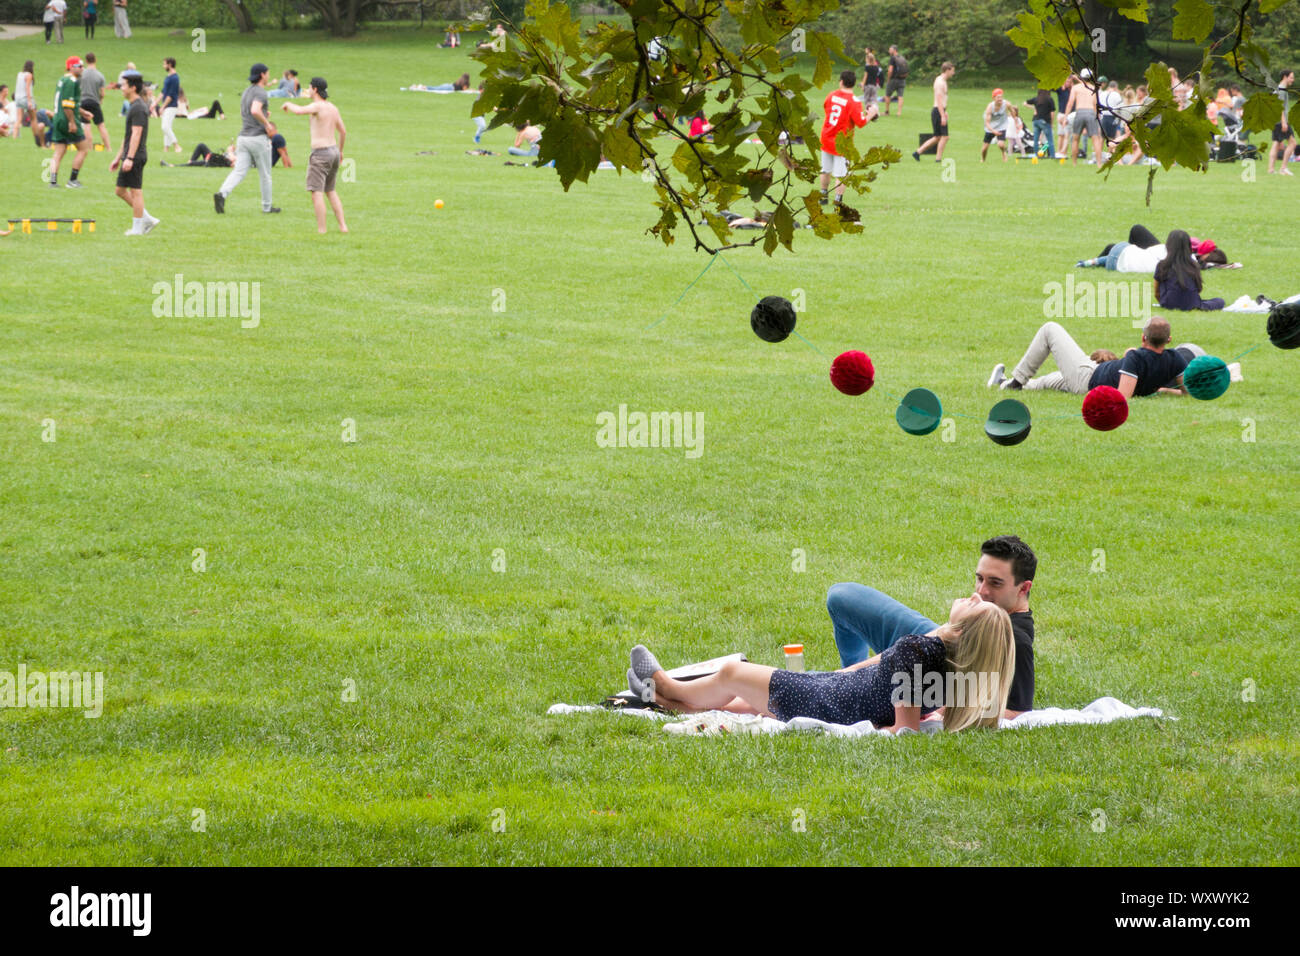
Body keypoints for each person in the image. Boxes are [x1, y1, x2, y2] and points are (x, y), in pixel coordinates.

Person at [627, 597, 1015, 733]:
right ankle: (664, 697)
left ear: (965, 633)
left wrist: (899, 724)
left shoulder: (919, 653)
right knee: (743, 703)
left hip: (830, 703)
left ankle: (669, 688)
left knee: (733, 675)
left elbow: (905, 728)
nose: (971, 595)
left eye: (976, 604)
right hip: (839, 692)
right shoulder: (952, 667)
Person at [826, 536, 1037, 719]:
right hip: (921, 646)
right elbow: (935, 636)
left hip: (919, 674)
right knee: (841, 596)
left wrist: (943, 712)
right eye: (979, 579)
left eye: (995, 583)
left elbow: (1017, 713)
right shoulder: (986, 613)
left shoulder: (1014, 640)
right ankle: (846, 674)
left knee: (816, 685)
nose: (982, 590)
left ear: (1024, 587)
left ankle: (845, 681)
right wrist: (848, 671)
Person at [988, 315, 1188, 397]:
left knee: (1050, 329)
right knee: (1045, 382)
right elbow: (1186, 392)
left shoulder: (1136, 358)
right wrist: (1164, 391)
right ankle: (1003, 384)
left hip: (1087, 379)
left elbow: (1122, 398)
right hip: (1090, 374)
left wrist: (1129, 355)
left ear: (1143, 337)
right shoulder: (1175, 359)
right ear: (1169, 340)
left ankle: (1016, 382)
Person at [280, 76, 347, 234]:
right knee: (330, 191)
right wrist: (341, 151)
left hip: (321, 153)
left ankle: (321, 230)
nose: (308, 90)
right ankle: (343, 226)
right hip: (334, 151)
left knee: (316, 192)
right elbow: (343, 131)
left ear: (315, 89)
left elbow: (299, 111)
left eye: (309, 87)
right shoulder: (333, 107)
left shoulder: (317, 106)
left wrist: (288, 103)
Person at [214, 63, 280, 214]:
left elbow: (248, 112)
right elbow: (255, 110)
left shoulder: (246, 92)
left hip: (243, 138)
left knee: (239, 171)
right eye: (267, 73)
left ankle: (222, 194)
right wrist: (267, 123)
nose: (268, 76)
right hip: (257, 138)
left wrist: (264, 115)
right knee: (265, 174)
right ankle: (267, 207)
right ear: (262, 75)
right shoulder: (261, 92)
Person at [110, 72, 158, 235]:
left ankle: (138, 228)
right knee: (120, 190)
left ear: (133, 87)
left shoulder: (138, 107)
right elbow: (128, 136)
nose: (121, 88)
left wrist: (129, 158)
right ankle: (147, 219)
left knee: (136, 191)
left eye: (124, 85)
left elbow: (137, 134)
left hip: (135, 156)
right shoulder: (133, 105)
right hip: (130, 154)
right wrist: (118, 157)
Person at [819, 70, 873, 206]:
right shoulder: (853, 101)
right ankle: (838, 200)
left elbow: (826, 108)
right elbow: (860, 122)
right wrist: (870, 114)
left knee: (825, 169)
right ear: (853, 84)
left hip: (827, 137)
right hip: (842, 142)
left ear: (841, 81)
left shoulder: (832, 95)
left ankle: (823, 195)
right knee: (841, 174)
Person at [1154, 230, 1225, 311]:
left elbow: (1156, 292)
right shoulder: (1194, 265)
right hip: (1192, 305)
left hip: (1168, 304)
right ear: (1188, 246)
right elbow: (1198, 289)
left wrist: (1165, 303)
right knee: (1219, 301)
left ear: (1168, 246)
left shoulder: (1162, 265)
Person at [48, 56, 91, 188]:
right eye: (79, 66)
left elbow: (70, 103)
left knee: (59, 150)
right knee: (83, 149)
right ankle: (72, 180)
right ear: (71, 67)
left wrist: (83, 112)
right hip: (67, 118)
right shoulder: (72, 81)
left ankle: (53, 182)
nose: (82, 68)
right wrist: (72, 122)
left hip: (58, 118)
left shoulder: (62, 79)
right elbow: (67, 105)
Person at [912, 61, 955, 162]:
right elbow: (939, 100)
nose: (953, 73)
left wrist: (945, 111)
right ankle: (938, 159)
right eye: (952, 71)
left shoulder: (942, 80)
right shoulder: (940, 82)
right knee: (945, 137)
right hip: (937, 111)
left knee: (937, 137)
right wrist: (942, 115)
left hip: (939, 111)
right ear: (947, 70)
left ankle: (917, 152)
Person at [1064, 70, 1103, 165]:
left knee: (1075, 139)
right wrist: (1097, 117)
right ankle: (1099, 163)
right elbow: (1095, 104)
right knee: (1095, 139)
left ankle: (1074, 163)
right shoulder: (1094, 88)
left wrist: (1065, 117)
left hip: (1080, 112)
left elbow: (1070, 103)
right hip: (1090, 113)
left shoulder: (1076, 88)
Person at [78, 51, 111, 152]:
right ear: (95, 60)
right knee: (100, 125)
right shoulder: (100, 75)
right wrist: (100, 100)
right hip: (94, 101)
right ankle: (108, 148)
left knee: (87, 126)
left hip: (83, 102)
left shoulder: (81, 74)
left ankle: (89, 148)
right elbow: (102, 92)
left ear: (86, 61)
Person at [1268, 69, 1294, 176]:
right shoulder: (1282, 90)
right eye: (1291, 77)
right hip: (1281, 121)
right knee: (1293, 143)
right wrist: (1284, 123)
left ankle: (1271, 169)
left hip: (1276, 121)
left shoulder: (1278, 89)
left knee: (1276, 144)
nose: (1293, 80)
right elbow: (1280, 108)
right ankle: (1283, 168)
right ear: (1285, 77)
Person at [15, 61, 42, 148]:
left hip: (18, 98)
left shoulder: (19, 74)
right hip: (25, 98)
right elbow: (27, 88)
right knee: (33, 119)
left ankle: (14, 137)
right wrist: (29, 101)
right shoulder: (29, 75)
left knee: (19, 119)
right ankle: (37, 138)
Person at [980, 88, 1010, 162]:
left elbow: (1012, 110)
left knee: (1001, 144)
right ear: (993, 98)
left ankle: (1003, 153)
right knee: (984, 148)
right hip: (990, 127)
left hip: (1001, 126)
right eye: (998, 97)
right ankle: (983, 160)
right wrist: (993, 131)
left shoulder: (1006, 103)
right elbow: (987, 123)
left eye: (1001, 97)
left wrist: (1015, 120)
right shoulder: (990, 107)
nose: (1000, 99)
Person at [159, 57, 182, 153]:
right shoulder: (168, 77)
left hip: (171, 106)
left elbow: (171, 95)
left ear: (170, 65)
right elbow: (163, 92)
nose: (163, 66)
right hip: (167, 105)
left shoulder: (175, 78)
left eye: (165, 64)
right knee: (167, 127)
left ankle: (176, 145)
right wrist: (154, 104)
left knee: (165, 127)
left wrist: (163, 106)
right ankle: (166, 149)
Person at [1027, 88, 1056, 158]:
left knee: (1036, 140)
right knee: (1050, 140)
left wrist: (1034, 109)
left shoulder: (1037, 99)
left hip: (1035, 121)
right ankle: (1052, 155)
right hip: (1045, 121)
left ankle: (1036, 155)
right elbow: (1052, 113)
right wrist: (1051, 123)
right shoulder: (1049, 100)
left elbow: (1026, 102)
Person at [883, 44, 907, 116]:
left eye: (890, 49)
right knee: (900, 96)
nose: (889, 51)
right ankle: (899, 112)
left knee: (887, 95)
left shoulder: (892, 58)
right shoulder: (902, 57)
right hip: (902, 79)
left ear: (894, 50)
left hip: (893, 79)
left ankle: (887, 112)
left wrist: (888, 79)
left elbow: (890, 70)